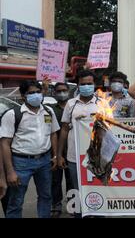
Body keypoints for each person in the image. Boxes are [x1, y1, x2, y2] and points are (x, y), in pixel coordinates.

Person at [0, 80, 59, 218]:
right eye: (31, 93)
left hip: (44, 161)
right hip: (21, 162)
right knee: (16, 201)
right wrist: (10, 172)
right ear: (23, 96)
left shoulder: (48, 111)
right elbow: (4, 144)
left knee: (46, 196)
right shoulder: (13, 114)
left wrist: (55, 156)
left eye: (38, 92)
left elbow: (53, 133)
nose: (36, 95)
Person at [57, 69, 99, 216]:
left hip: (97, 157)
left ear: (94, 84)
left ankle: (97, 213)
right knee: (77, 188)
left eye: (89, 83)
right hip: (74, 156)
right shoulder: (71, 104)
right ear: (78, 85)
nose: (86, 86)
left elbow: (110, 129)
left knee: (98, 188)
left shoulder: (103, 103)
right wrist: (59, 155)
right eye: (83, 84)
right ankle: (78, 215)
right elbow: (64, 129)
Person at [49, 82, 73, 218]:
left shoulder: (73, 107)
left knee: (72, 180)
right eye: (59, 91)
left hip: (71, 150)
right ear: (54, 93)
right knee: (55, 180)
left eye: (64, 90)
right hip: (55, 150)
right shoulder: (51, 109)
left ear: (69, 91)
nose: (62, 93)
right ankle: (56, 205)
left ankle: (72, 204)